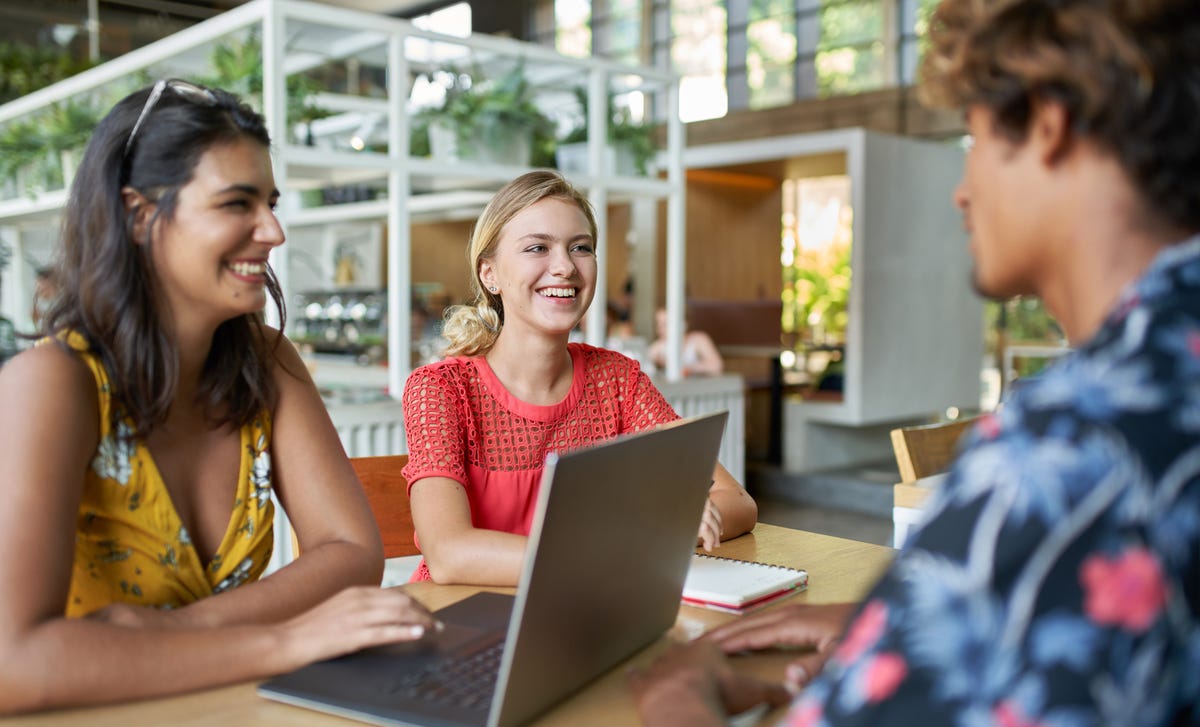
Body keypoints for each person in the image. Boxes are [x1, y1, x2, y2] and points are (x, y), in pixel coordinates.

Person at [632, 0, 1200, 724]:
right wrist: (918, 616)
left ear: (1049, 124)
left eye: (975, 136)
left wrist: (679, 696)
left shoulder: (1071, 447)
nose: (962, 190)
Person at [0, 79, 437, 715]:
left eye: (271, 202)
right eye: (238, 203)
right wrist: (283, 639)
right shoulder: (52, 385)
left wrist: (179, 631)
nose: (275, 232)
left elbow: (352, 553)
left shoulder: (265, 361)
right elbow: (11, 664)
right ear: (140, 216)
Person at [401, 171, 758, 586]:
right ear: (489, 274)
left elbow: (736, 502)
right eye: (537, 247)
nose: (565, 267)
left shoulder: (617, 380)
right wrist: (631, 541)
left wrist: (671, 516)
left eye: (581, 248)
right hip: (462, 619)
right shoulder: (440, 388)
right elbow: (450, 556)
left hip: (582, 614)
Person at [648, 307, 724, 376]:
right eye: (658, 324)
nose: (660, 329)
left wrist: (687, 368)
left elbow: (716, 366)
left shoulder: (698, 339)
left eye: (665, 324)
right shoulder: (658, 346)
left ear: (683, 324)